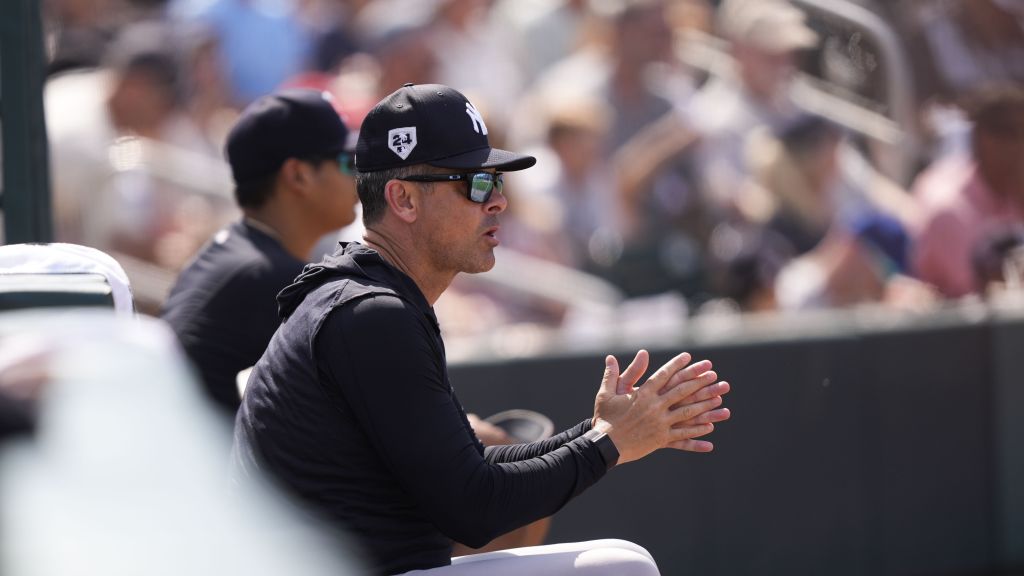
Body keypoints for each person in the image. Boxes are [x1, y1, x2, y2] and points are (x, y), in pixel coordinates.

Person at [232, 83, 732, 575]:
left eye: (496, 182)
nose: (497, 202)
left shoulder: (372, 298)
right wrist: (608, 444)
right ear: (403, 199)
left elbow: (469, 478)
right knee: (622, 566)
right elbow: (475, 509)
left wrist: (600, 432)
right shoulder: (369, 315)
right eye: (473, 183)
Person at [162, 88, 360, 414]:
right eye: (348, 161)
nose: (360, 174)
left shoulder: (246, 256)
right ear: (298, 175)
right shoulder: (270, 277)